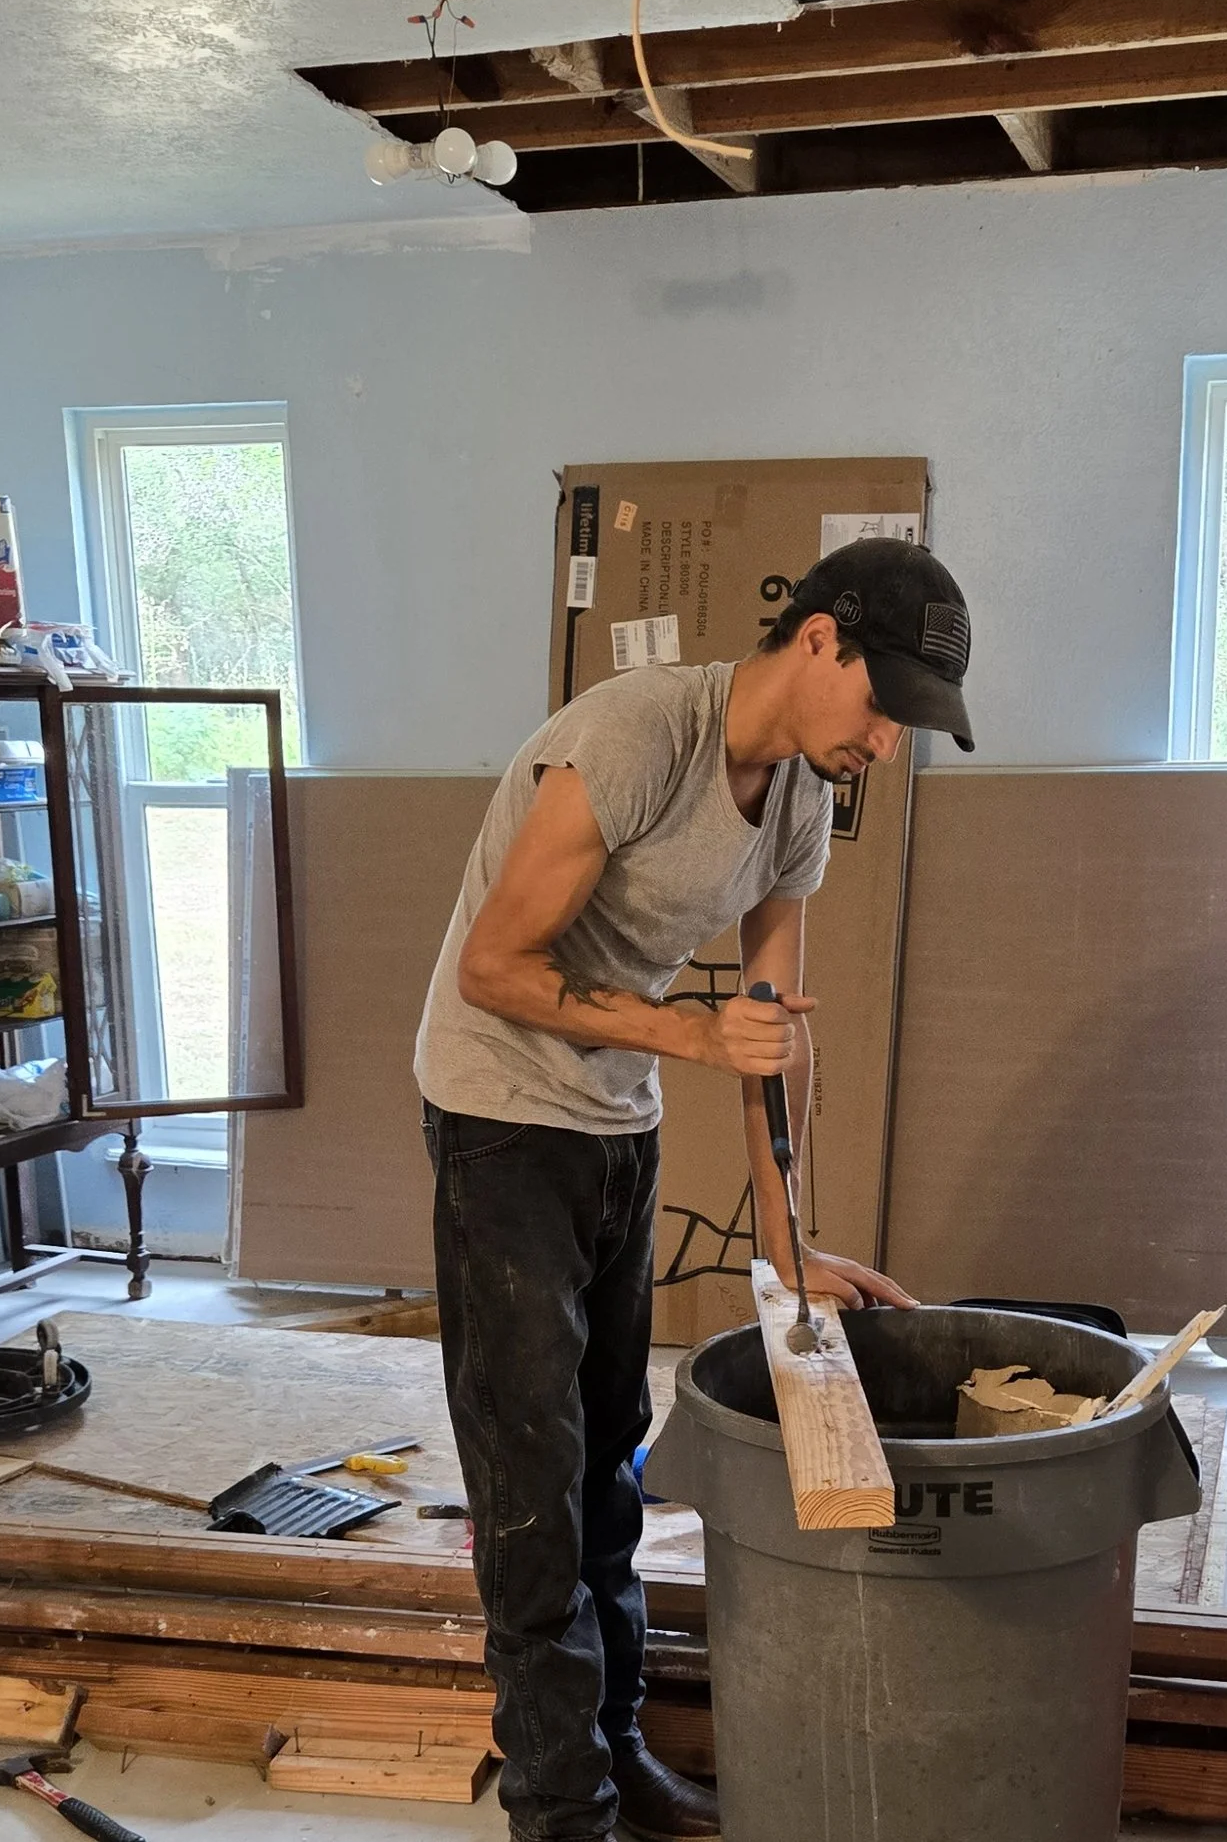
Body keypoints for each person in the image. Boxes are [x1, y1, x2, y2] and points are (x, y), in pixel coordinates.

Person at [413, 537, 976, 1841]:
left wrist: (788, 1251)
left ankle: (617, 1758)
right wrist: (689, 1034)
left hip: (617, 1118)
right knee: (529, 1482)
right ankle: (564, 1814)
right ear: (821, 640)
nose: (888, 742)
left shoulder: (794, 802)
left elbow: (774, 1026)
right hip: (499, 1120)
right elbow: (495, 967)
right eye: (883, 704)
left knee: (611, 1466)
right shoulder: (631, 738)